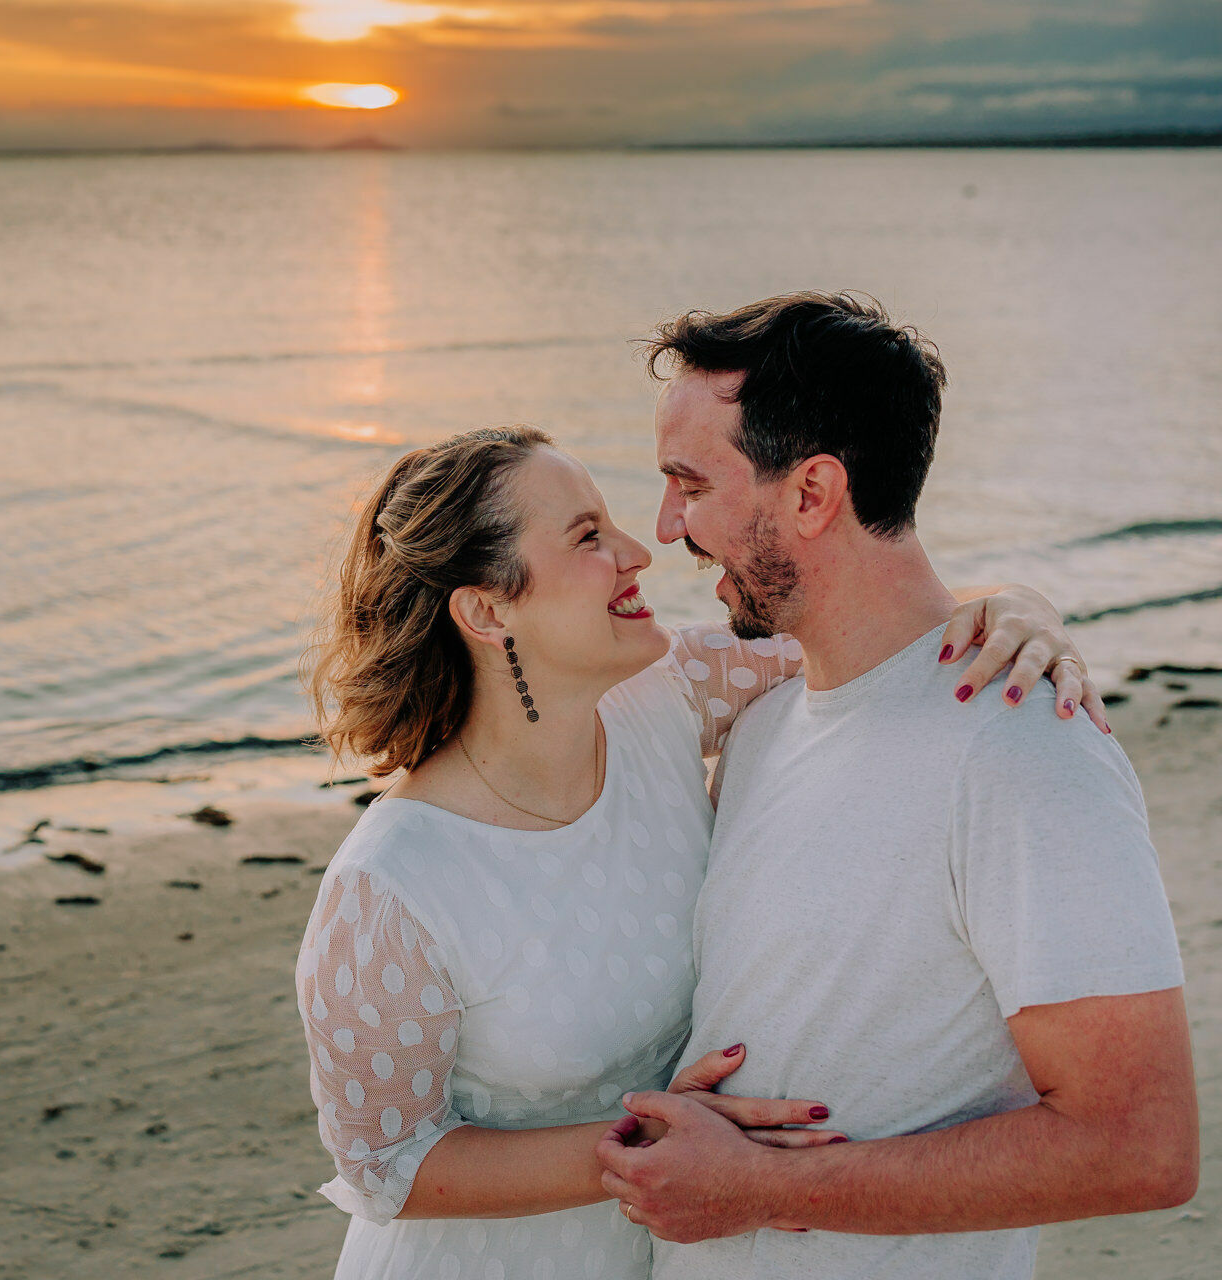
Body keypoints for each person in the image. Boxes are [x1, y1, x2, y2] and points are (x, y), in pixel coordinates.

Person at [295, 420, 1099, 1280]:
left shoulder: (666, 694)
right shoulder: (390, 886)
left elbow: (873, 635)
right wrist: (644, 1144)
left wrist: (1014, 606)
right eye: (588, 537)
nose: (638, 551)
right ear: (487, 611)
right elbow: (386, 1165)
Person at [596, 292, 1196, 1279]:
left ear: (813, 492)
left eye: (689, 485)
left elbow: (1139, 1146)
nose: (666, 528)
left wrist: (761, 1188)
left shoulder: (1023, 749)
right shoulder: (762, 727)